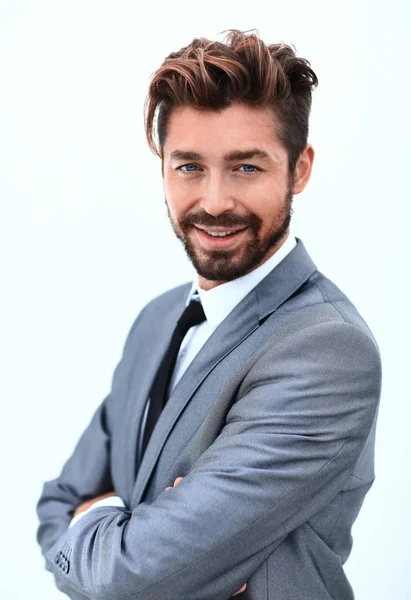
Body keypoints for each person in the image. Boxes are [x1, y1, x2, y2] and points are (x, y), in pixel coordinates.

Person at [36, 29, 382, 600]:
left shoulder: (327, 349)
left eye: (246, 168)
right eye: (189, 166)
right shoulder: (157, 321)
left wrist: (104, 531)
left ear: (298, 169)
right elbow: (58, 499)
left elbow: (128, 578)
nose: (215, 200)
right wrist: (123, 539)